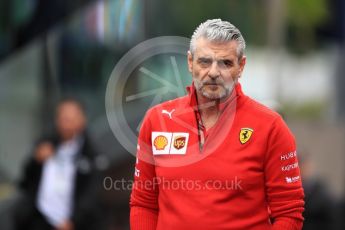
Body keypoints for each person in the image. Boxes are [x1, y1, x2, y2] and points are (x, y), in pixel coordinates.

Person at [130, 19, 304, 229]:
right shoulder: (156, 120)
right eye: (205, 61)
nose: (214, 72)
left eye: (226, 63)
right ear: (190, 62)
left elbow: (289, 212)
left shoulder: (271, 127)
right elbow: (144, 203)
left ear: (241, 66)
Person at [14, 98, 106, 230]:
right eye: (63, 118)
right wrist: (35, 160)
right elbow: (25, 182)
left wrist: (73, 221)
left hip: (75, 223)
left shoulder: (90, 153)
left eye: (71, 118)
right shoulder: (45, 144)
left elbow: (92, 193)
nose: (66, 123)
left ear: (82, 120)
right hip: (39, 220)